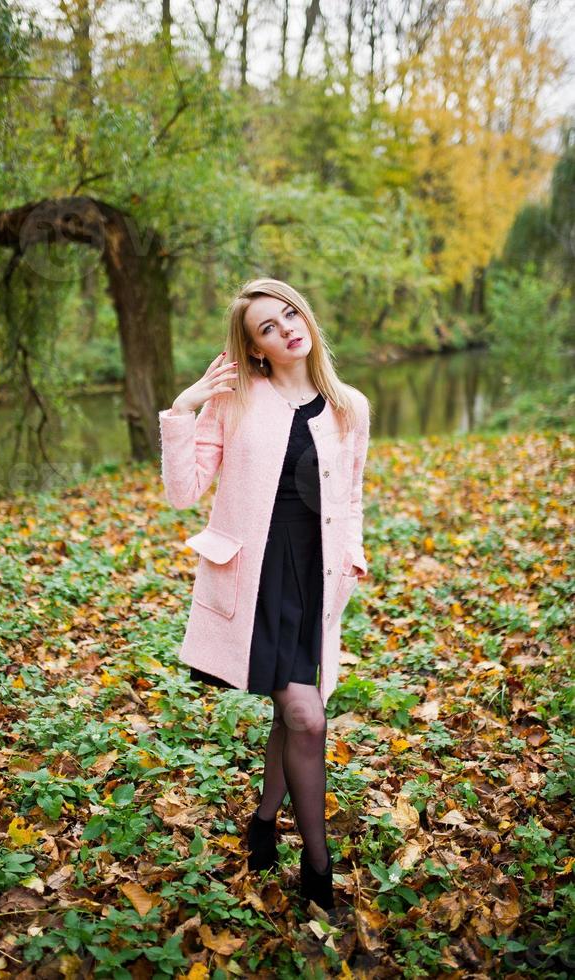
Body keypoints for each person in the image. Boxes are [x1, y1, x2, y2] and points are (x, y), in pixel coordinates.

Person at [158, 278, 371, 912]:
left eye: (289, 314)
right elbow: (183, 491)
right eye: (267, 329)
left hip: (317, 576)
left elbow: (352, 496)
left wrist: (353, 556)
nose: (286, 329)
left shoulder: (348, 406)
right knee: (307, 715)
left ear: (305, 315)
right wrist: (184, 406)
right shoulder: (237, 401)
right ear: (254, 349)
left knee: (293, 709)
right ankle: (318, 868)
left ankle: (260, 821)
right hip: (256, 579)